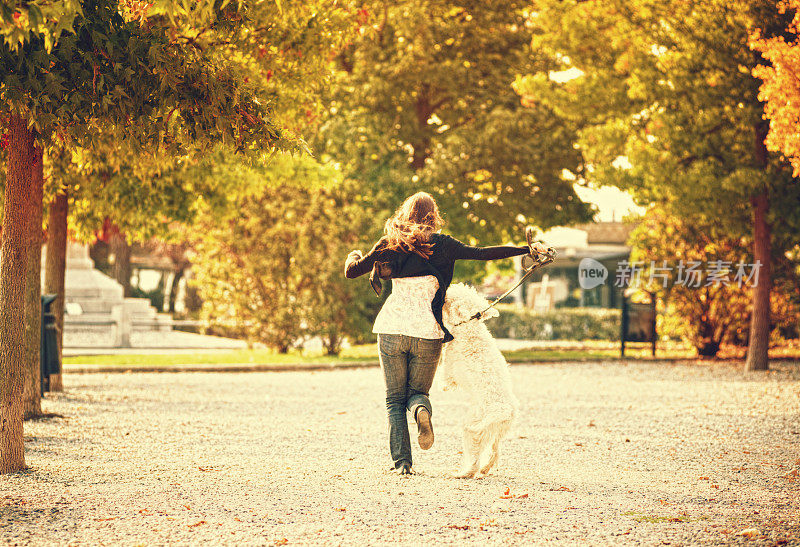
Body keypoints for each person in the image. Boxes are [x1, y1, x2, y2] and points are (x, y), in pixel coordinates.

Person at [344, 192, 546, 475]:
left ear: (405, 214)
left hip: (391, 329)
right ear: (434, 217)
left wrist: (354, 256)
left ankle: (403, 464)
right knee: (417, 393)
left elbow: (352, 272)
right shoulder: (444, 245)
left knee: (394, 399)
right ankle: (420, 412)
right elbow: (484, 253)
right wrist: (526, 250)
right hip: (428, 332)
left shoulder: (389, 244)